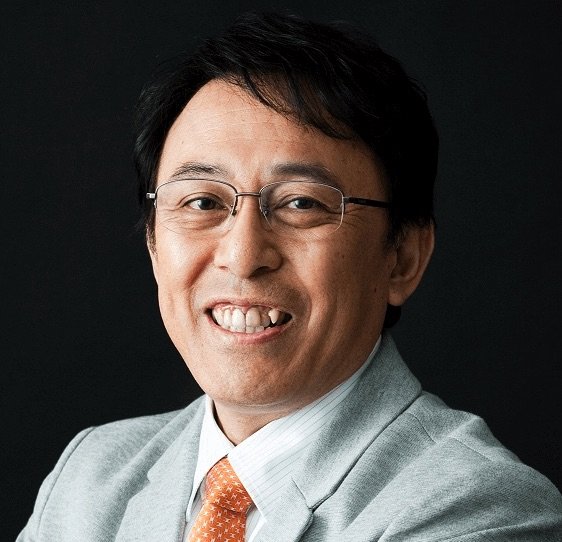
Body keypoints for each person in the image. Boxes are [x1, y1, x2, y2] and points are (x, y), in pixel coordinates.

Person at [18, 11, 562, 542]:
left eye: (301, 203)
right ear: (154, 245)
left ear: (402, 258)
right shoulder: (89, 480)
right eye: (203, 201)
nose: (242, 255)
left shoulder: (480, 511)